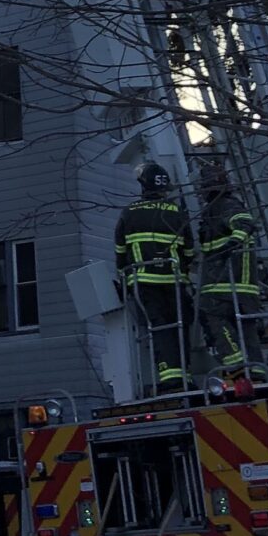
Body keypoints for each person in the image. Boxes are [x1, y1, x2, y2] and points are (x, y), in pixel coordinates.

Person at [116, 163, 196, 394]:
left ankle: (169, 376)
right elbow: (189, 251)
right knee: (180, 325)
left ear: (143, 185)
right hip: (174, 281)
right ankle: (185, 374)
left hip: (144, 283)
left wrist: (123, 278)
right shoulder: (176, 212)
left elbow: (120, 251)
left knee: (158, 327)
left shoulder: (130, 213)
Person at [195, 188, 260, 384]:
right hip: (242, 286)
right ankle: (256, 371)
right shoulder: (224, 206)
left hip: (223, 283)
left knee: (214, 318)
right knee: (247, 329)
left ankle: (237, 367)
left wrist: (230, 244)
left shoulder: (224, 207)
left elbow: (245, 223)